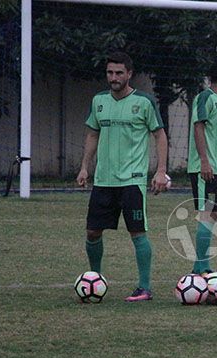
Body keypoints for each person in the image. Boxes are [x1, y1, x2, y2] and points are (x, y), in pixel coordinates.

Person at [77, 52, 169, 302]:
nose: (114, 77)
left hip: (132, 180)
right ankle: (94, 280)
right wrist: (85, 166)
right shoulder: (99, 101)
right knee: (92, 232)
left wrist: (160, 171)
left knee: (138, 233)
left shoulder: (144, 102)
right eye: (110, 73)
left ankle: (144, 287)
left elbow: (159, 135)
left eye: (119, 73)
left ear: (129, 74)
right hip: (103, 180)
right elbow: (93, 134)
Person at [187, 62, 217, 275]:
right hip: (204, 169)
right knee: (206, 215)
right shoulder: (205, 98)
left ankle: (202, 266)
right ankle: (200, 269)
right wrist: (204, 161)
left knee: (213, 214)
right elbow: (199, 126)